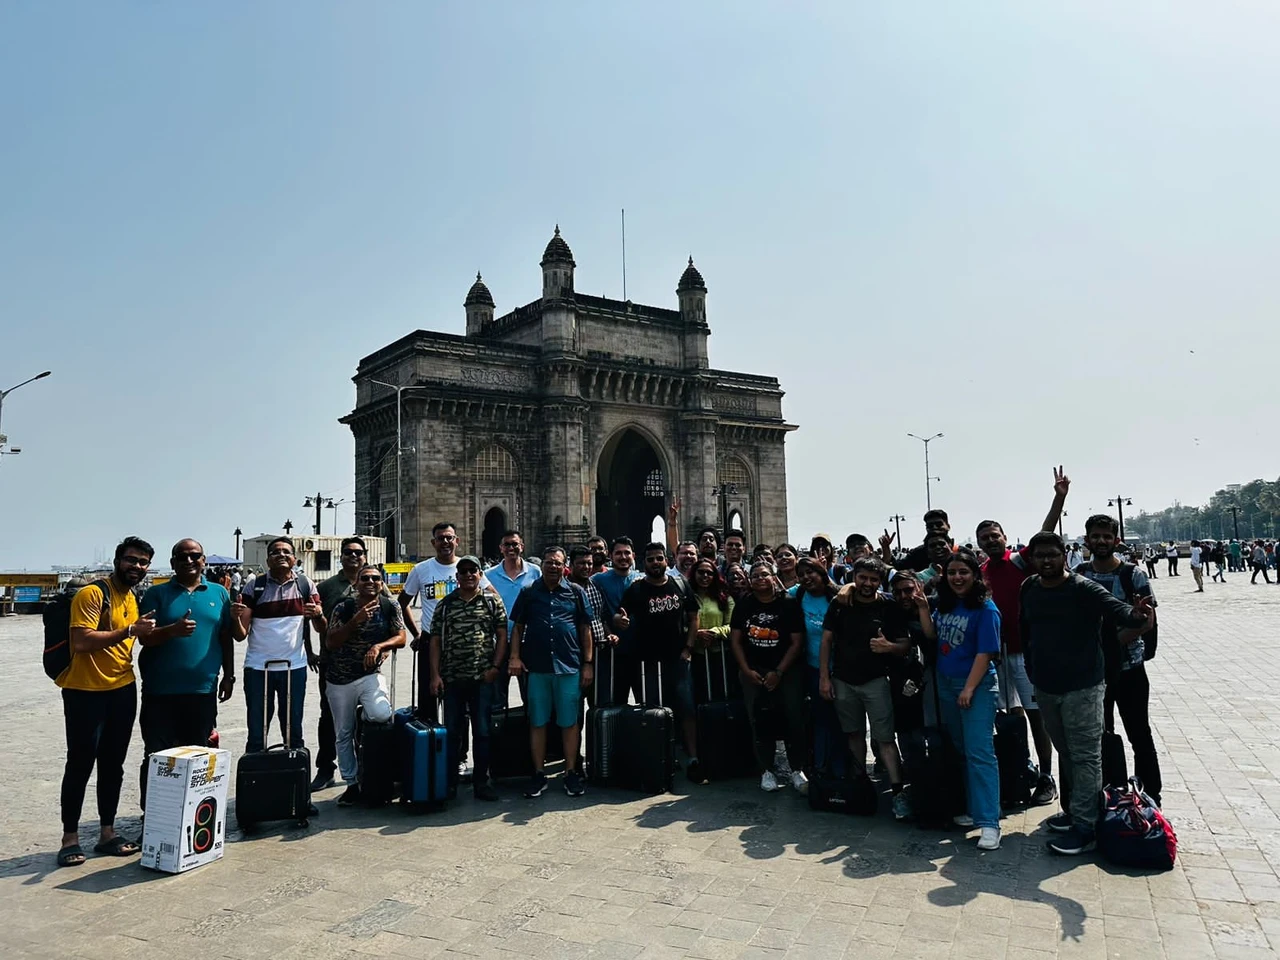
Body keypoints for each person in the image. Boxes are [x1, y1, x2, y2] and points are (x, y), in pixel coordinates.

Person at [1020, 531, 1154, 856]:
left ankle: (1086, 827)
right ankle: (1076, 811)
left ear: (1064, 555)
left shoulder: (1083, 588)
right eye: (1041, 556)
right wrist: (1032, 669)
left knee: (1085, 755)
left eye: (1053, 554)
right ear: (1033, 560)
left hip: (1084, 687)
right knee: (1066, 752)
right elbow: (1027, 630)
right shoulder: (1030, 588)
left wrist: (1136, 615)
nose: (1047, 561)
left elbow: (1116, 609)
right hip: (1047, 686)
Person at [56, 537, 157, 868]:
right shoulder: (92, 594)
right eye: (132, 560)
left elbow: (133, 637)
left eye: (143, 562)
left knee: (113, 764)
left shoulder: (130, 597)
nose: (137, 567)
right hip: (84, 691)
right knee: (80, 763)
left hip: (122, 689)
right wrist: (130, 630)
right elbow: (81, 641)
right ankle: (70, 837)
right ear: (117, 560)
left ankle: (107, 833)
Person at [973, 467, 1070, 806]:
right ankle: (1022, 767)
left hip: (1026, 654)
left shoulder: (1020, 562)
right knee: (1011, 717)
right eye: (984, 538)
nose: (990, 540)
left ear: (1004, 536)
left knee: (1036, 714)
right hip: (997, 656)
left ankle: (1047, 775)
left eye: (994, 535)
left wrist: (1059, 498)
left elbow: (1045, 534)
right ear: (979, 544)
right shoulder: (980, 574)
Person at [136, 540, 235, 814]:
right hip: (159, 691)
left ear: (204, 561)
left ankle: (192, 814)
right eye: (182, 556)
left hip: (202, 690)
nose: (189, 560)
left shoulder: (219, 593)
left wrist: (230, 675)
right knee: (157, 757)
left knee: (198, 754)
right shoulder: (156, 595)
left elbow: (225, 637)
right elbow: (144, 638)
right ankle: (154, 815)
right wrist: (172, 631)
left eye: (195, 556)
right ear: (172, 563)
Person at [1075, 514, 1163, 807]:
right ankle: (1109, 792)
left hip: (1129, 668)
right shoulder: (1079, 574)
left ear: (1117, 540)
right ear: (1086, 541)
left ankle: (1150, 795)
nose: (1100, 541)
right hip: (1091, 673)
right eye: (1095, 536)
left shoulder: (1133, 575)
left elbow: (1146, 622)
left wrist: (1106, 645)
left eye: (1106, 536)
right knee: (1100, 735)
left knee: (1139, 733)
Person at [819, 556, 910, 818]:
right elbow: (827, 641)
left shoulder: (889, 607)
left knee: (885, 738)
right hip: (843, 680)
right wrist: (824, 677)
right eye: (862, 578)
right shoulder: (840, 603)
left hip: (876, 682)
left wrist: (889, 647)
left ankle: (897, 791)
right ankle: (859, 785)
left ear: (880, 582)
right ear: (853, 577)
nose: (867, 583)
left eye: (873, 579)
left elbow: (905, 644)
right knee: (854, 734)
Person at [929, 550, 1002, 850]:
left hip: (975, 687)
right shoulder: (945, 605)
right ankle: (976, 810)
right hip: (947, 685)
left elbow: (986, 653)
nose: (957, 578)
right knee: (962, 750)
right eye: (952, 573)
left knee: (980, 752)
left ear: (975, 575)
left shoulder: (986, 609)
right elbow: (933, 635)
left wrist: (969, 688)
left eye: (964, 572)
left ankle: (989, 823)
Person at [509, 546, 594, 798]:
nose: (553, 567)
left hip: (568, 666)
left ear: (564, 565)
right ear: (541, 564)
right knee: (538, 722)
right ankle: (538, 774)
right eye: (548, 562)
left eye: (557, 563)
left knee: (569, 723)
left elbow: (585, 629)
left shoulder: (576, 592)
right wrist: (514, 656)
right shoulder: (529, 592)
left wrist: (588, 663)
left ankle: (570, 773)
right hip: (537, 667)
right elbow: (518, 628)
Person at [232, 537, 325, 766]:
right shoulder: (255, 586)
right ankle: (255, 787)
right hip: (258, 668)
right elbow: (241, 634)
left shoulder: (305, 585)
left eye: (286, 552)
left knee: (293, 730)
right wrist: (234, 618)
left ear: (294, 558)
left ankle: (295, 791)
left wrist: (318, 615)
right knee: (257, 730)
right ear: (267, 559)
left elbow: (321, 628)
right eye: (275, 552)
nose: (281, 555)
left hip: (293, 667)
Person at [620, 543, 703, 783]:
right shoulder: (636, 590)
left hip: (677, 658)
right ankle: (661, 757)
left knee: (686, 709)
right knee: (655, 710)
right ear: (643, 563)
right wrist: (618, 620)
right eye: (651, 560)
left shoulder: (679, 584)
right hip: (647, 662)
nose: (655, 563)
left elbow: (693, 616)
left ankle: (693, 757)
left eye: (659, 558)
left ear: (666, 560)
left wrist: (688, 648)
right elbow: (620, 615)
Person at [325, 565, 405, 805]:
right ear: (356, 583)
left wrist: (380, 646)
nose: (371, 582)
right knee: (343, 733)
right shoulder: (344, 607)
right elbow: (331, 642)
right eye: (365, 578)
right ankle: (351, 783)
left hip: (369, 673)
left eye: (376, 578)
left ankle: (365, 721)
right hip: (340, 677)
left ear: (381, 583)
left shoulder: (390, 606)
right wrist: (354, 622)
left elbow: (401, 637)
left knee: (381, 714)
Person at [429, 555, 507, 801]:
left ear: (480, 574)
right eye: (463, 572)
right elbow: (436, 640)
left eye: (473, 571)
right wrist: (435, 675)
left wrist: (495, 667)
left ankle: (481, 782)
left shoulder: (492, 601)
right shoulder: (446, 604)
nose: (468, 575)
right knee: (453, 732)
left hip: (482, 678)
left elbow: (502, 635)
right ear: (457, 576)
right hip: (452, 679)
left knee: (483, 732)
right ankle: (450, 782)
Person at [309, 537, 380, 791]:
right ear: (341, 556)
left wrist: (381, 648)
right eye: (348, 552)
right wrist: (310, 651)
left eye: (358, 552)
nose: (353, 556)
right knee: (329, 718)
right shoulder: (327, 587)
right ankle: (325, 768)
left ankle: (364, 769)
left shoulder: (374, 584)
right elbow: (311, 619)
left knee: (366, 719)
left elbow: (391, 620)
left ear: (365, 555)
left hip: (366, 666)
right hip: (333, 664)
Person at [730, 559, 807, 793]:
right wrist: (745, 670)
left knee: (794, 718)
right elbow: (735, 640)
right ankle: (766, 770)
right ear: (749, 582)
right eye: (755, 577)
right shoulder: (744, 604)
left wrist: (779, 672)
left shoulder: (789, 603)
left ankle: (797, 769)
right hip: (754, 670)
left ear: (774, 577)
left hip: (786, 671)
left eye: (765, 575)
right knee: (759, 720)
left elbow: (797, 642)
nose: (760, 579)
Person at [400, 522, 493, 714]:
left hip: (462, 644)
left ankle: (459, 744)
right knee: (429, 700)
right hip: (430, 640)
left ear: (457, 541)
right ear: (433, 543)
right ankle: (432, 741)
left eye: (449, 538)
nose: (445, 542)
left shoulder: (468, 569)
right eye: (440, 538)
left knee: (461, 702)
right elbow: (402, 603)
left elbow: (493, 598)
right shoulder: (421, 570)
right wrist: (417, 633)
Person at [792, 557, 843, 775]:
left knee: (843, 722)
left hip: (842, 670)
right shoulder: (798, 594)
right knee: (821, 721)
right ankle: (822, 769)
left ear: (822, 572)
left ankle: (845, 770)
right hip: (814, 669)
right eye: (801, 574)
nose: (805, 578)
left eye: (810, 572)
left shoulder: (840, 596)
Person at [592, 537, 642, 703]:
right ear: (611, 556)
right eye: (618, 553)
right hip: (612, 651)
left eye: (627, 553)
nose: (623, 557)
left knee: (646, 702)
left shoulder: (642, 579)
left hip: (640, 650)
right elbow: (593, 610)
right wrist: (610, 621)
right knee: (615, 702)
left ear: (633, 555)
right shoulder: (598, 580)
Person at [568, 546, 615, 707]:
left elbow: (600, 617)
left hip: (599, 653)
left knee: (600, 705)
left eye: (589, 563)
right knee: (574, 707)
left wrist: (609, 634)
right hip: (574, 654)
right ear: (570, 565)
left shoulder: (595, 586)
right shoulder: (564, 590)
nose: (586, 567)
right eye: (581, 563)